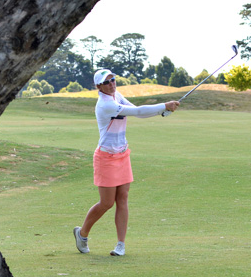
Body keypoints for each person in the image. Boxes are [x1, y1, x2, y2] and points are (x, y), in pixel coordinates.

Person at [74, 69, 180, 256]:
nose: (112, 84)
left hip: (122, 154)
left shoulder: (117, 95)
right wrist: (164, 105)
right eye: (106, 82)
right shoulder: (105, 104)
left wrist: (162, 111)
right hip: (106, 157)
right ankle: (82, 234)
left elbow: (139, 113)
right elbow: (137, 111)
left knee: (122, 198)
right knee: (106, 203)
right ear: (98, 86)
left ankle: (120, 245)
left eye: (113, 80)